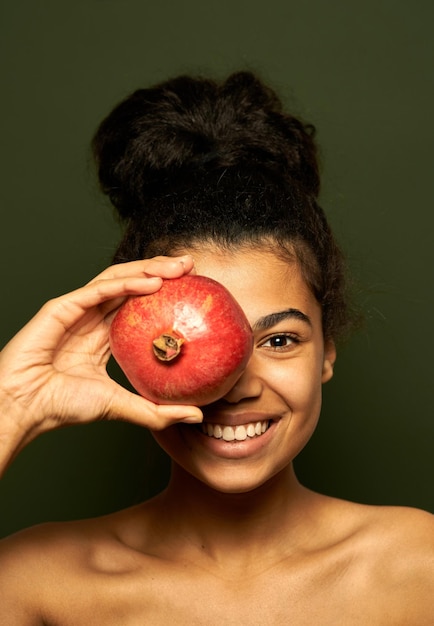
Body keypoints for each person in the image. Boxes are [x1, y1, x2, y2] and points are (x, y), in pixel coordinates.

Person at [0, 71, 433, 625]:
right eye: (192, 344)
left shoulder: (420, 568)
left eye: (279, 340)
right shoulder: (39, 586)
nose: (238, 386)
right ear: (133, 351)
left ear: (327, 351)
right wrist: (12, 406)